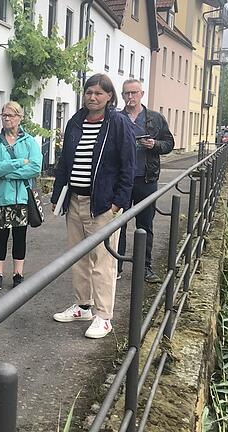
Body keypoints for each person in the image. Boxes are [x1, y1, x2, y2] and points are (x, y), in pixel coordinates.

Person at [50, 73, 136, 339]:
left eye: (99, 93)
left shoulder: (118, 124)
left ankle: (104, 316)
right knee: (79, 257)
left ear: (109, 96)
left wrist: (118, 202)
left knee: (103, 262)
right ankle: (83, 305)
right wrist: (58, 195)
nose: (93, 97)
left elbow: (128, 165)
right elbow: (65, 160)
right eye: (89, 92)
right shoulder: (76, 121)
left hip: (102, 206)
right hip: (75, 200)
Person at [117, 79, 174, 283]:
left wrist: (154, 144)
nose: (130, 97)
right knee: (118, 225)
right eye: (126, 93)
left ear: (141, 94)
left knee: (145, 225)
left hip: (146, 179)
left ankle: (145, 267)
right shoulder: (116, 118)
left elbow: (169, 143)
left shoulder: (155, 119)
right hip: (121, 181)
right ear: (122, 96)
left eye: (134, 93)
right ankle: (116, 267)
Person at [0, 101, 43, 290]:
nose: (7, 118)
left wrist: (7, 174)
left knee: (20, 236)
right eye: (4, 115)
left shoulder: (29, 141)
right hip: (2, 197)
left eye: (11, 115)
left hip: (22, 198)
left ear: (19, 118)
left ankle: (18, 274)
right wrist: (19, 163)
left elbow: (35, 167)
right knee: (0, 236)